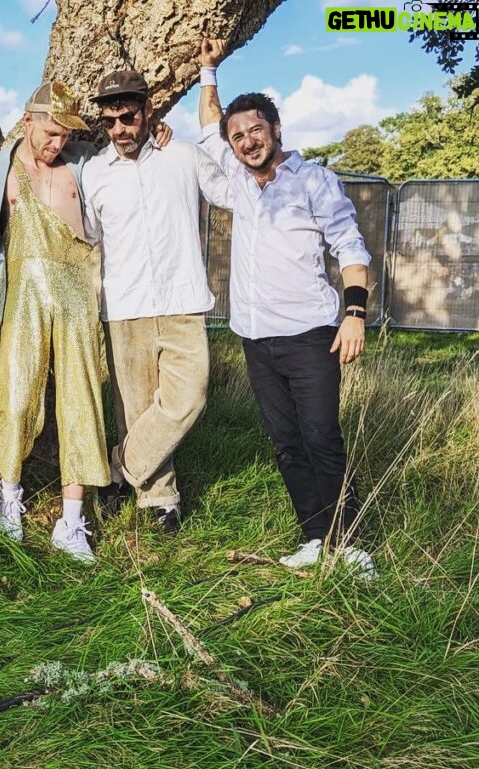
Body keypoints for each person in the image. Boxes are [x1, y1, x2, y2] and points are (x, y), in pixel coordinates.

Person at [197, 38, 377, 578]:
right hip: (256, 338)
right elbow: (208, 124)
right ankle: (315, 536)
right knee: (286, 442)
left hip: (310, 336)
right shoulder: (235, 181)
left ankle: (350, 543)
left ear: (276, 130)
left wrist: (354, 315)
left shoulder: (314, 180)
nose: (247, 141)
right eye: (238, 136)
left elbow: (351, 249)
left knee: (321, 436)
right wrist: (209, 70)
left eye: (256, 130)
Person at [83, 69, 230, 533]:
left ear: (149, 111)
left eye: (128, 117)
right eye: (109, 122)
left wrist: (211, 94)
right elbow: (87, 235)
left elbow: (229, 191)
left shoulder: (182, 154)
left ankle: (114, 470)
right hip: (125, 307)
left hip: (183, 300)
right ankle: (160, 499)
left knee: (188, 399)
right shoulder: (93, 172)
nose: (120, 130)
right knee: (137, 408)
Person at [0, 82, 112, 562]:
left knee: (82, 400)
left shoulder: (87, 162)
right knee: (16, 393)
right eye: (51, 133)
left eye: (64, 135)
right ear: (28, 120)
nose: (57, 144)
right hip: (24, 296)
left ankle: (72, 522)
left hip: (78, 296)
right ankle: (8, 498)